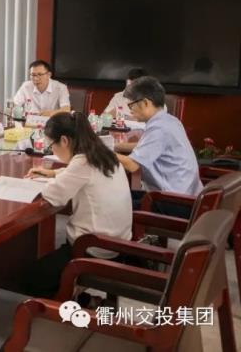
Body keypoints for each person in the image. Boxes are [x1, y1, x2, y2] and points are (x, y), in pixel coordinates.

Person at [23, 111, 132, 298]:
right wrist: (55, 174)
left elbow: (53, 196)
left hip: (91, 248)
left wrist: (50, 181)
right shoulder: (104, 154)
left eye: (51, 146)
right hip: (118, 244)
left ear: (64, 140)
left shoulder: (82, 163)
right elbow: (85, 175)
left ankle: (74, 303)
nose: (52, 151)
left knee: (31, 278)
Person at [115, 76, 202, 218]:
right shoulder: (170, 120)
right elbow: (147, 146)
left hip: (175, 202)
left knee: (113, 204)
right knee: (118, 195)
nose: (130, 110)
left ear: (145, 103)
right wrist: (115, 146)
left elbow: (132, 165)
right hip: (187, 197)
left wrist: (99, 150)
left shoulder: (159, 128)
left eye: (131, 105)